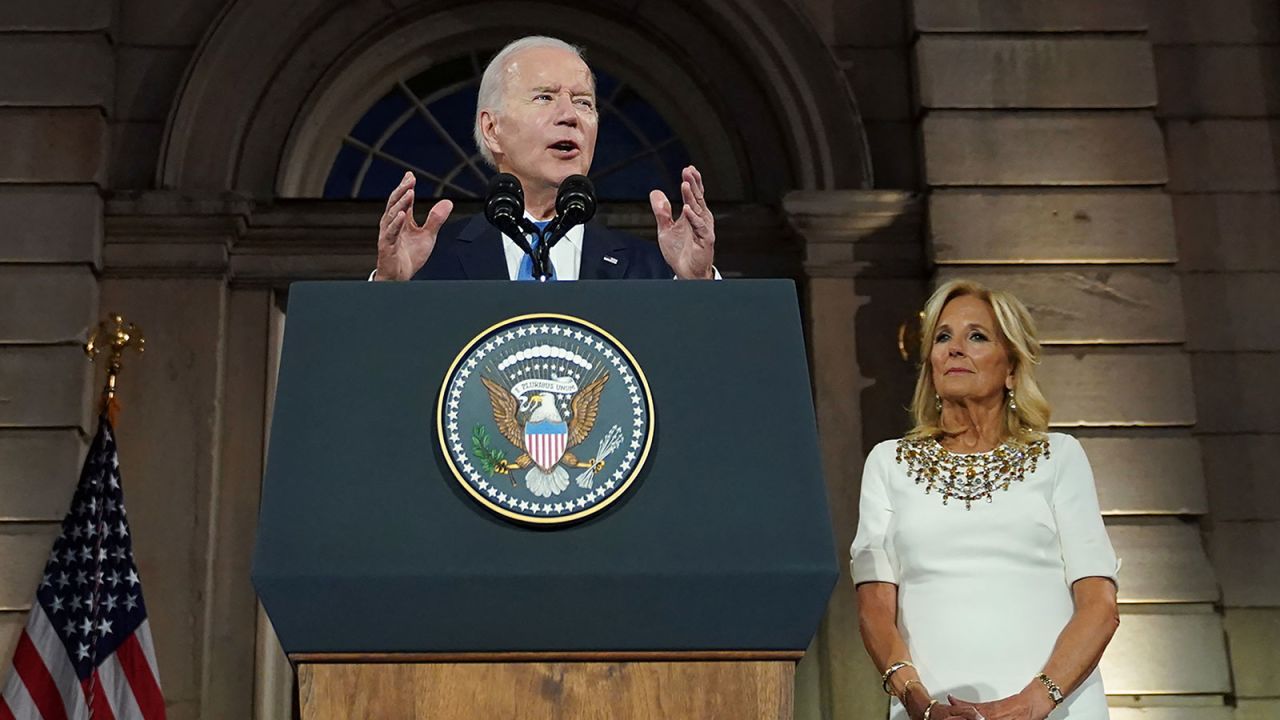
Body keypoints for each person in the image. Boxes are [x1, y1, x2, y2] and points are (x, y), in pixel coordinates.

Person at [851, 279, 1121, 720]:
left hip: (1056, 707)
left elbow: (1101, 607)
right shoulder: (888, 464)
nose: (955, 348)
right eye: (943, 337)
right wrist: (920, 705)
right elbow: (874, 610)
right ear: (931, 365)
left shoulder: (1058, 457)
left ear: (1011, 367)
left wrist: (1032, 704)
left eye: (976, 336)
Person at [371, 35, 716, 282]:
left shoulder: (652, 271)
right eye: (544, 97)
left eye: (583, 102)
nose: (570, 115)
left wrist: (698, 283)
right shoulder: (429, 266)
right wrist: (388, 288)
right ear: (492, 129)